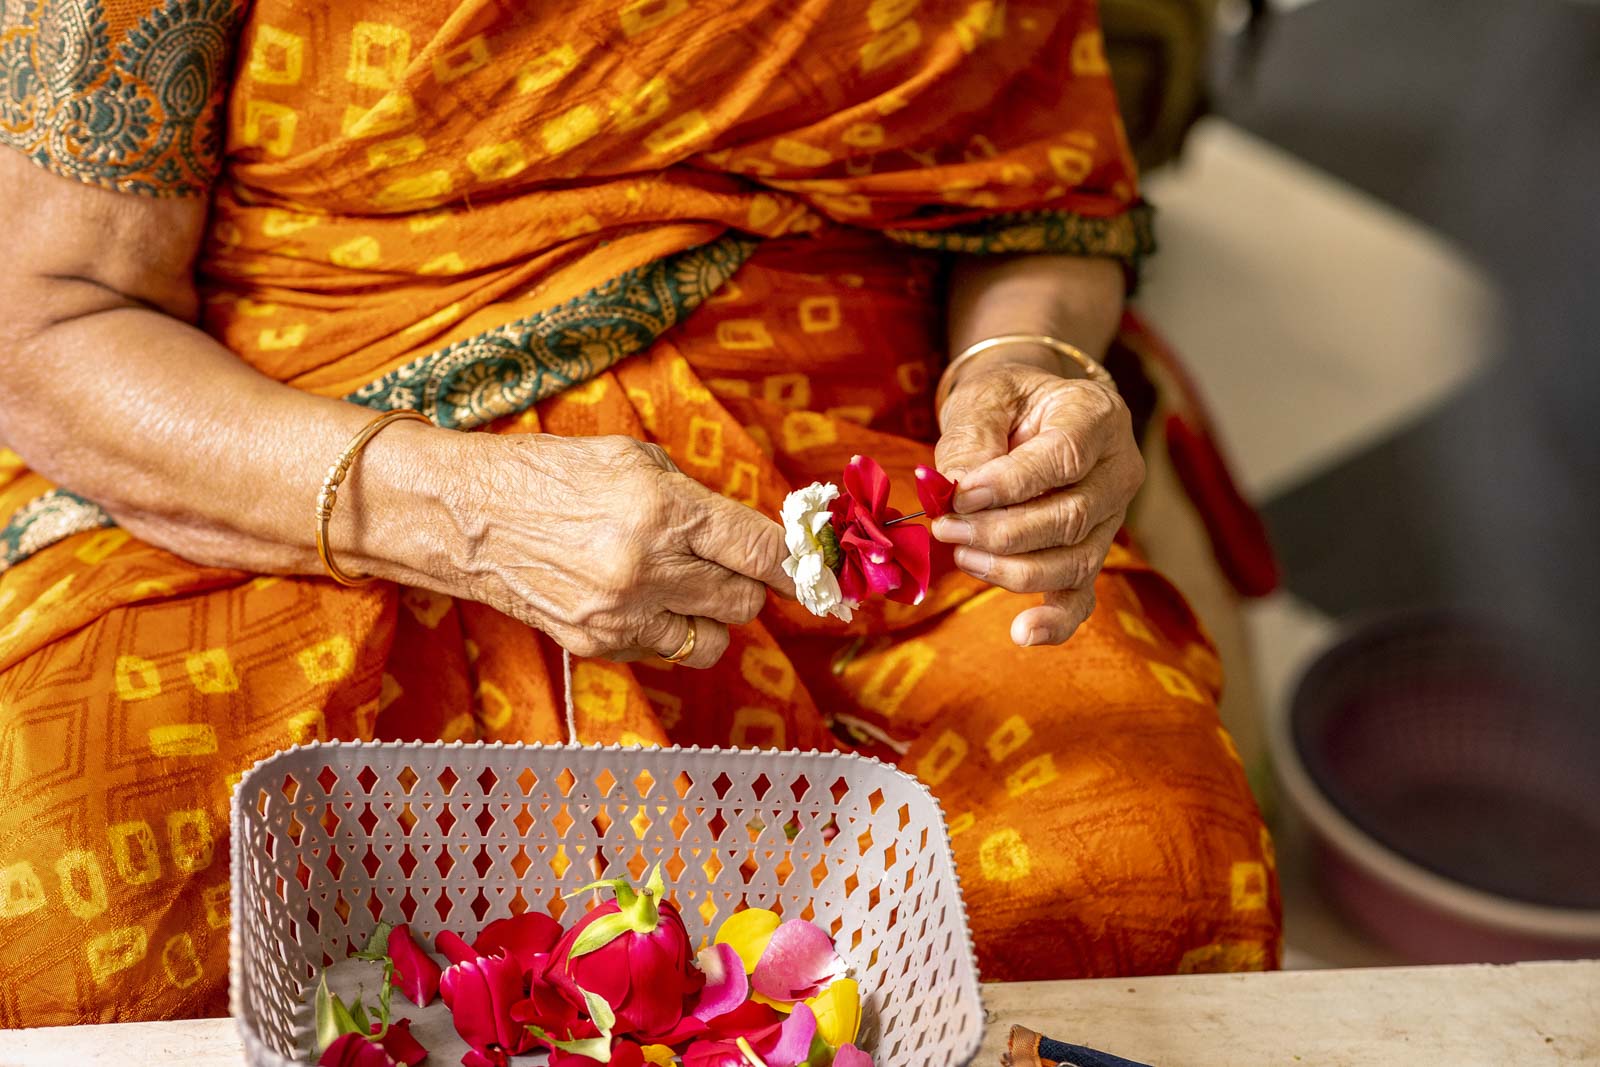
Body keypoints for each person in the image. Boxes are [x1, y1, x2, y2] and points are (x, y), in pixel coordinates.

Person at [0, 0, 1279, 1024]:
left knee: (1136, 862)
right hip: (301, 453)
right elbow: (44, 323)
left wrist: (1030, 366)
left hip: (834, 462)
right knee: (75, 930)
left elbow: (1034, 199)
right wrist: (463, 511)